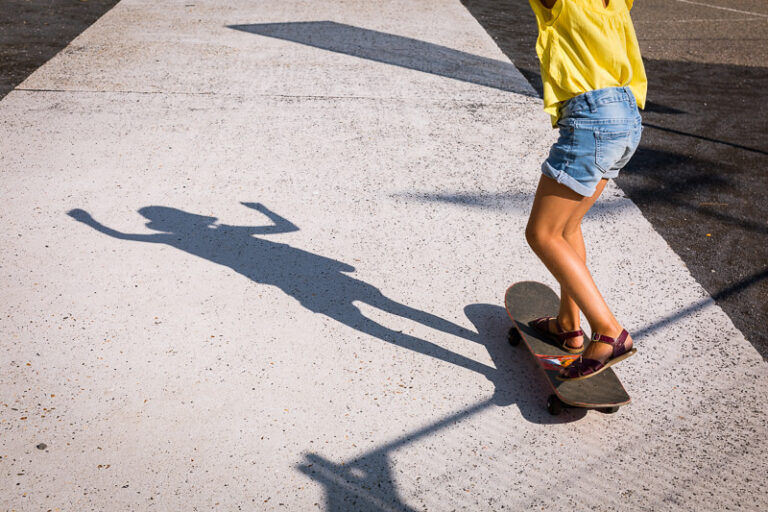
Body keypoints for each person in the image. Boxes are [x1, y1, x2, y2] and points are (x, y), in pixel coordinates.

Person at [524, 0, 646, 381]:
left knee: (542, 233)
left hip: (593, 116)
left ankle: (609, 332)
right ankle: (568, 324)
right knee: (567, 226)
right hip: (627, 116)